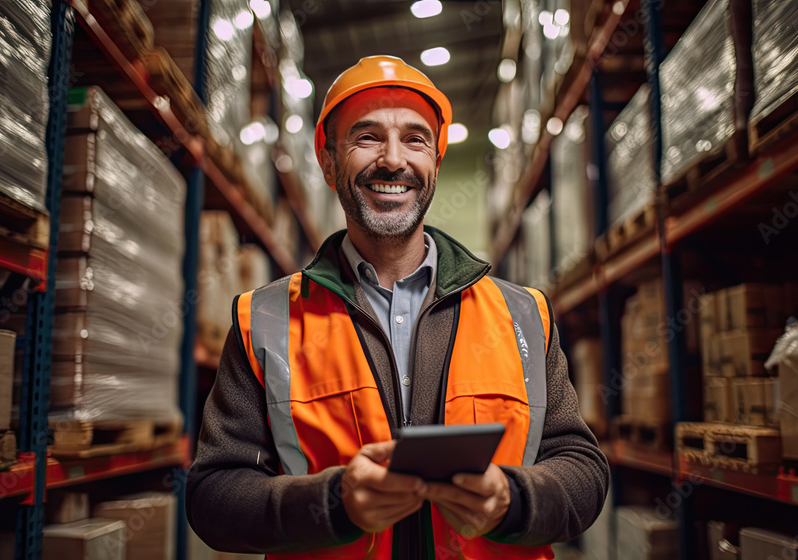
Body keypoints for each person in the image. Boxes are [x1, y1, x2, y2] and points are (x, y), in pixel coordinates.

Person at [187, 55, 609, 559]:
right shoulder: (266, 319)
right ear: (327, 160)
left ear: (436, 159)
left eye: (415, 139)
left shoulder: (522, 315)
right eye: (366, 137)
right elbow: (213, 496)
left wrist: (512, 501)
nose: (393, 160)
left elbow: (581, 466)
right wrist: (331, 503)